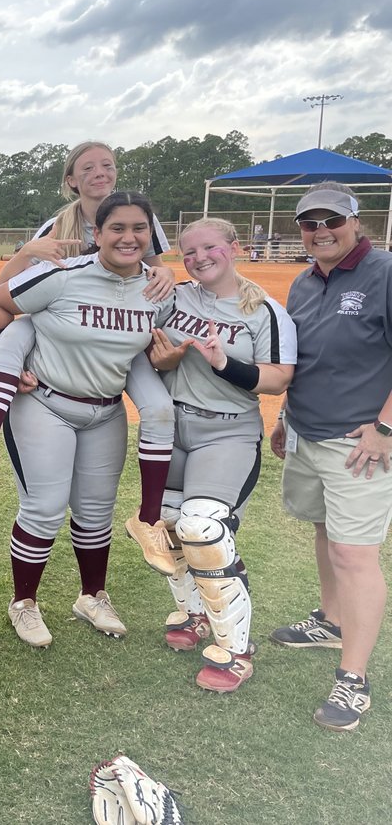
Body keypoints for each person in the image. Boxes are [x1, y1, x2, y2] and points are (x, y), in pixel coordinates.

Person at [0, 141, 175, 561]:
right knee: (18, 334)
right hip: (59, 321)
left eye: (107, 164)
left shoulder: (141, 218)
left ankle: (149, 519)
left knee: (159, 409)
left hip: (118, 329)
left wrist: (167, 272)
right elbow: (6, 291)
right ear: (71, 180)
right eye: (88, 167)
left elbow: (153, 268)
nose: (100, 173)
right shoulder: (58, 226)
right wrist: (28, 252)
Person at [0, 191, 174, 648]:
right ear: (98, 234)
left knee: (94, 514)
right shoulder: (62, 275)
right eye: (118, 228)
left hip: (105, 411)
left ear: (151, 235)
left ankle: (92, 596)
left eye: (139, 229)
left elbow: (152, 352)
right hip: (45, 402)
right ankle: (23, 604)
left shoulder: (157, 289)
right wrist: (12, 363)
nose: (129, 237)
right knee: (44, 509)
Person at [140, 218, 295, 692]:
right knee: (166, 528)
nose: (199, 258)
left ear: (234, 247)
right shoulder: (175, 296)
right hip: (170, 429)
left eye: (209, 248)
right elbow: (144, 344)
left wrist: (225, 363)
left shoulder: (265, 310)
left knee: (201, 529)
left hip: (226, 434)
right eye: (188, 252)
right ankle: (195, 616)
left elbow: (279, 378)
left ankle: (236, 649)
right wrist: (158, 361)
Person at [269, 183, 392, 731]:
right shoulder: (301, 282)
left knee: (354, 554)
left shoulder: (383, 273)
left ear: (355, 221)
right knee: (324, 529)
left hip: (359, 441)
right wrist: (282, 418)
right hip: (307, 430)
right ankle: (330, 620)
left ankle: (354, 679)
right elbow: (303, 362)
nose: (320, 230)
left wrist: (385, 428)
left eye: (331, 220)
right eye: (309, 222)